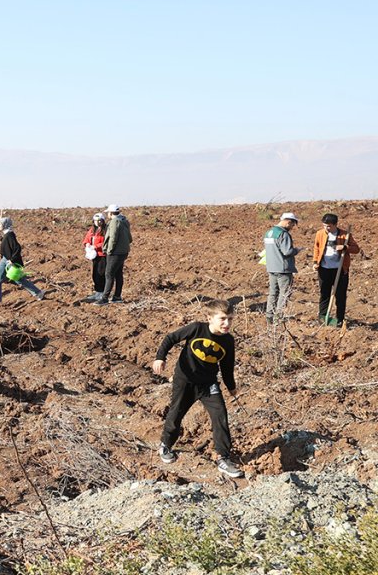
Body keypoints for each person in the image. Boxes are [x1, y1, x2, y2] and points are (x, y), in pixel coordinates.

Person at [152, 300, 244, 479]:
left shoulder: (228, 341)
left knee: (220, 416)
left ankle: (223, 458)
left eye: (230, 319)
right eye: (223, 319)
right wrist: (160, 358)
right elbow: (170, 338)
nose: (227, 323)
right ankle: (166, 444)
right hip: (185, 381)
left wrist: (231, 387)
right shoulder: (196, 329)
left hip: (208, 384)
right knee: (176, 412)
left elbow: (227, 366)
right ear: (209, 318)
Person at [313, 213, 362, 326]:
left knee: (340, 296)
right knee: (324, 294)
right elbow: (316, 248)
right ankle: (323, 317)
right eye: (325, 225)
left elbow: (356, 249)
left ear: (335, 225)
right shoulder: (320, 234)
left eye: (329, 226)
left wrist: (345, 247)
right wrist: (315, 262)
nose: (326, 228)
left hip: (340, 270)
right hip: (324, 269)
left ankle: (340, 319)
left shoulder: (345, 235)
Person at [0, 217, 44, 303]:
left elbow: (17, 248)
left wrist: (12, 260)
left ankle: (38, 292)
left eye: (0, 224)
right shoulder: (6, 234)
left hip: (9, 260)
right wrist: (0, 238)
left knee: (18, 279)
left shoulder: (10, 235)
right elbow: (7, 245)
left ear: (4, 225)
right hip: (5, 259)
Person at [263, 212, 301, 323]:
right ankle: (278, 317)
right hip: (283, 269)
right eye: (292, 225)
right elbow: (287, 251)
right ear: (289, 222)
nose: (292, 227)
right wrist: (297, 250)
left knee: (273, 292)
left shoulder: (269, 232)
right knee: (284, 293)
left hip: (271, 267)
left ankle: (269, 315)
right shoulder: (283, 234)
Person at [92, 205, 131, 305]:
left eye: (108, 213)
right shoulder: (124, 221)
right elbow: (130, 238)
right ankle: (117, 297)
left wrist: (109, 250)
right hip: (123, 252)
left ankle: (104, 298)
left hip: (115, 253)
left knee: (109, 274)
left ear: (111, 213)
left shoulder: (114, 222)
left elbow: (113, 238)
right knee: (118, 274)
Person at [81, 213, 108, 302]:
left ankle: (103, 292)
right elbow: (87, 239)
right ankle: (97, 291)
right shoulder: (92, 230)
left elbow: (106, 242)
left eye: (99, 220)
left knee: (101, 273)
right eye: (96, 221)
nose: (98, 222)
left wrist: (96, 246)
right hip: (94, 255)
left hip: (102, 255)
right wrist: (87, 244)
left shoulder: (105, 230)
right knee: (95, 274)